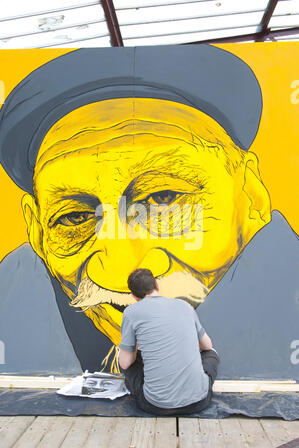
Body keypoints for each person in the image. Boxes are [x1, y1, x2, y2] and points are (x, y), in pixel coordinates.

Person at [0, 46, 298, 379]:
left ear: (251, 196)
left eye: (162, 199)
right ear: (38, 232)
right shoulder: (14, 295)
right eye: (74, 217)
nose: (119, 269)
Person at [119, 268, 219, 415]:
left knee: (125, 358)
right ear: (157, 285)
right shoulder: (184, 306)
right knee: (211, 354)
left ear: (133, 296)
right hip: (199, 402)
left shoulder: (131, 312)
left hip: (156, 405)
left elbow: (125, 363)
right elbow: (207, 346)